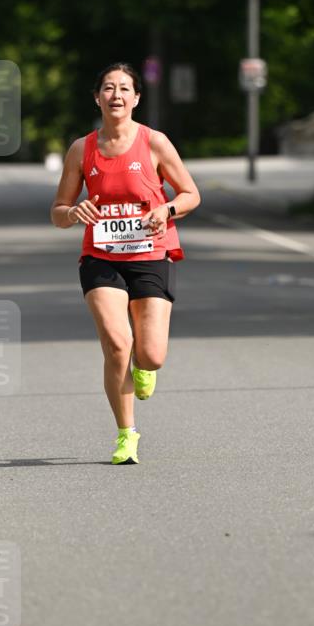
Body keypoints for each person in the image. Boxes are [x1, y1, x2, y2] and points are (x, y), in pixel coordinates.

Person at [50, 62, 201, 465]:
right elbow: (58, 211)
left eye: (124, 89)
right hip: (100, 256)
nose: (116, 95)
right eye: (108, 88)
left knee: (150, 355)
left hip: (151, 252)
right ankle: (126, 434)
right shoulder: (83, 149)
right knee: (118, 344)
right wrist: (74, 212)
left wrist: (166, 209)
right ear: (97, 97)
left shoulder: (154, 143)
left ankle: (144, 366)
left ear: (136, 98)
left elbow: (191, 194)